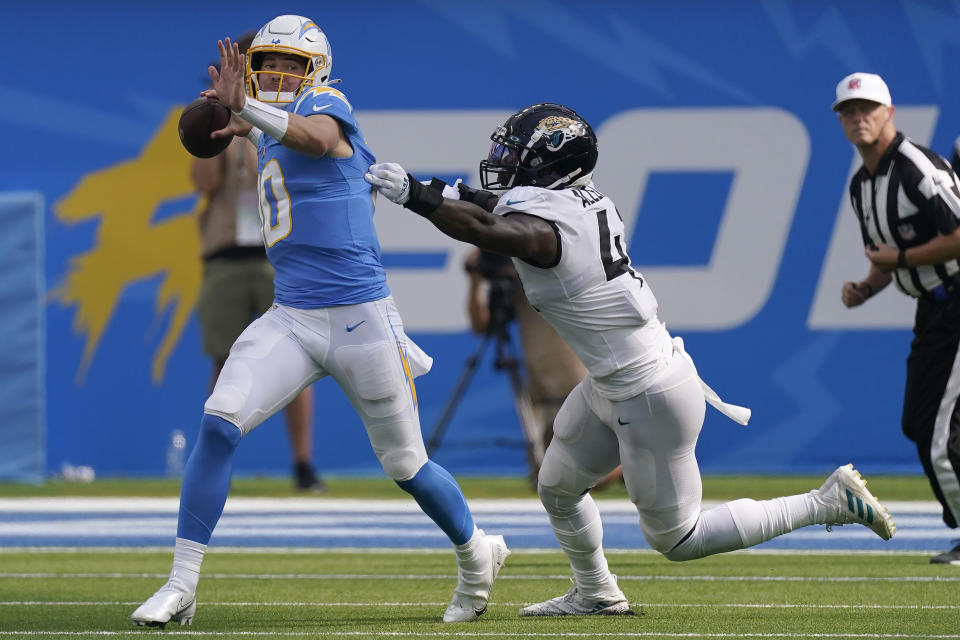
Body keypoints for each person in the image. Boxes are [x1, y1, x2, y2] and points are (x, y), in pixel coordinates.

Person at [365, 102, 896, 616]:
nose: (505, 162)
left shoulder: (547, 231)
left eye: (517, 153)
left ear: (550, 163)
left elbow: (490, 230)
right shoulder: (577, 200)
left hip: (648, 390)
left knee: (678, 539)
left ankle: (826, 502)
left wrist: (418, 198)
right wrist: (443, 190)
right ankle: (596, 592)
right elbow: (493, 206)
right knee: (557, 487)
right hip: (614, 379)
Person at [131, 15, 508, 628]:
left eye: (290, 64)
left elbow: (313, 138)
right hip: (293, 316)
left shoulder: (327, 104)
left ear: (316, 70)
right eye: (268, 63)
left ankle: (476, 554)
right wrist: (218, 122)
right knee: (220, 422)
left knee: (405, 465)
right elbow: (220, 142)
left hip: (362, 318)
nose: (277, 73)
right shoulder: (259, 123)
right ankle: (181, 584)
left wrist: (248, 111)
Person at [833, 72, 960, 565]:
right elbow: (887, 254)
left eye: (868, 108)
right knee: (919, 424)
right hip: (933, 308)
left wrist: (899, 262)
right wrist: (868, 285)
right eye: (848, 110)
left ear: (889, 113)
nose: (858, 117)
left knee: (938, 433)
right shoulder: (862, 185)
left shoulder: (915, 167)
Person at [192, 31, 323, 492]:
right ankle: (209, 462)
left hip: (278, 253)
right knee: (224, 360)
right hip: (227, 253)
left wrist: (260, 116)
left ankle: (303, 464)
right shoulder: (217, 111)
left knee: (295, 362)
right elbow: (204, 182)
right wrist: (222, 116)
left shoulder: (298, 116)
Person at [464, 247, 586, 483]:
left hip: (574, 387)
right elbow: (481, 325)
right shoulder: (517, 289)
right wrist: (476, 282)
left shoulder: (556, 277)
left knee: (579, 477)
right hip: (539, 391)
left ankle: (623, 466)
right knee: (543, 479)